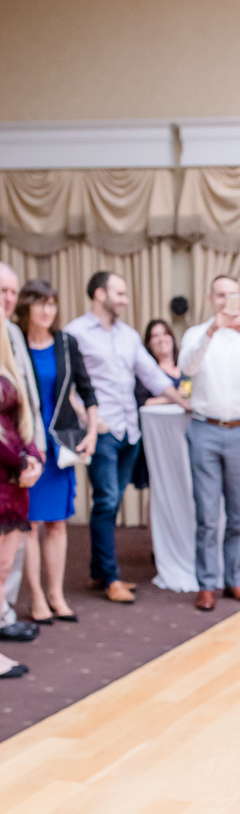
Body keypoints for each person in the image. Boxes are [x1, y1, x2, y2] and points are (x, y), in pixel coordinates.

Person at [67, 272, 185, 603]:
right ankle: (111, 578)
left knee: (112, 502)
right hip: (101, 432)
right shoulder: (74, 333)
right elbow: (67, 387)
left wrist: (184, 401)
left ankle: (97, 572)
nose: (125, 299)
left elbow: (151, 374)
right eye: (119, 293)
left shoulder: (129, 335)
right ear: (100, 293)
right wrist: (89, 420)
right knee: (106, 501)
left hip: (130, 432)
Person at [179, 276, 240, 612]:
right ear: (210, 298)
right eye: (219, 295)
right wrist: (211, 331)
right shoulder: (196, 334)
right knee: (207, 515)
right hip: (204, 429)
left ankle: (234, 577)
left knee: (237, 515)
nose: (225, 301)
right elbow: (186, 367)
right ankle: (206, 584)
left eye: (230, 295)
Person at [15, 280, 98, 625]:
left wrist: (92, 432)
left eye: (52, 304)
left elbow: (87, 390)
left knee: (58, 524)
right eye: (40, 304)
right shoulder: (13, 343)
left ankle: (57, 595)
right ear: (27, 308)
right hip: (28, 445)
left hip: (60, 444)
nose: (47, 310)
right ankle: (36, 597)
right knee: (31, 524)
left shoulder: (66, 343)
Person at [0, 312, 43, 678]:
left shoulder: (8, 366)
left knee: (2, 569)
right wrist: (22, 461)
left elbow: (22, 425)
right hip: (5, 478)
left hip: (13, 486)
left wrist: (34, 460)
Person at [133, 318, 186, 490]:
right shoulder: (147, 371)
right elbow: (143, 402)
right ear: (148, 344)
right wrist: (175, 397)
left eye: (165, 334)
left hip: (187, 436)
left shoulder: (187, 367)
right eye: (155, 336)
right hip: (160, 438)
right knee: (162, 486)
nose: (161, 339)